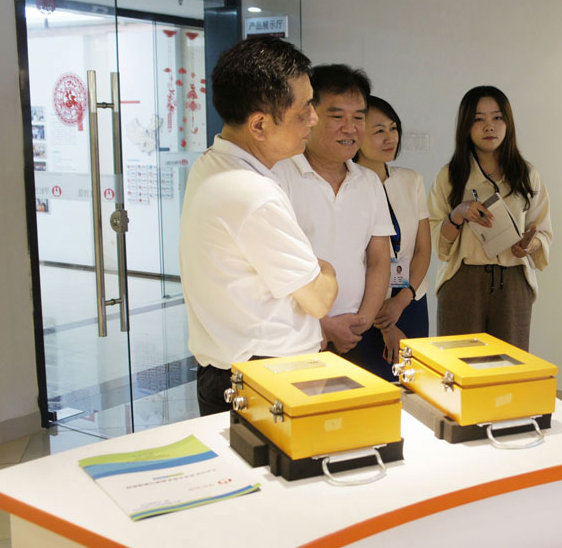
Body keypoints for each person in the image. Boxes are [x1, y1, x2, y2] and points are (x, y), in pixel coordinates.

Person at [180, 38, 338, 416]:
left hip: (233, 370)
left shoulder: (211, 163)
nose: (313, 119)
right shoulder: (252, 193)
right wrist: (327, 269)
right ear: (259, 124)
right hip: (267, 379)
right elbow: (318, 299)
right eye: (303, 110)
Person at [269, 65, 394, 367]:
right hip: (295, 337)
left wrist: (363, 320)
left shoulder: (369, 182)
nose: (350, 129)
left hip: (354, 336)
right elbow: (273, 268)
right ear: (309, 117)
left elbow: (379, 260)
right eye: (337, 117)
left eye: (358, 118)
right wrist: (323, 325)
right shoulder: (279, 175)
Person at [428, 86, 551, 350]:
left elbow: (543, 231)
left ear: (508, 123)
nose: (489, 127)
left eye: (497, 118)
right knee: (459, 363)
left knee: (510, 365)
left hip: (513, 280)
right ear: (466, 125)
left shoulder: (527, 175)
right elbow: (436, 241)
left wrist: (529, 244)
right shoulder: (450, 176)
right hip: (462, 280)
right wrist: (458, 214)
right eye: (478, 119)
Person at [353, 96, 432, 380]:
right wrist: (386, 323)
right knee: (372, 388)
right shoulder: (348, 186)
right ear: (357, 135)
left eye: (393, 128)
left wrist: (402, 300)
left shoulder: (411, 180)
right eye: (379, 131)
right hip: (365, 308)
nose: (390, 138)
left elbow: (423, 249)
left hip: (411, 300)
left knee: (414, 385)